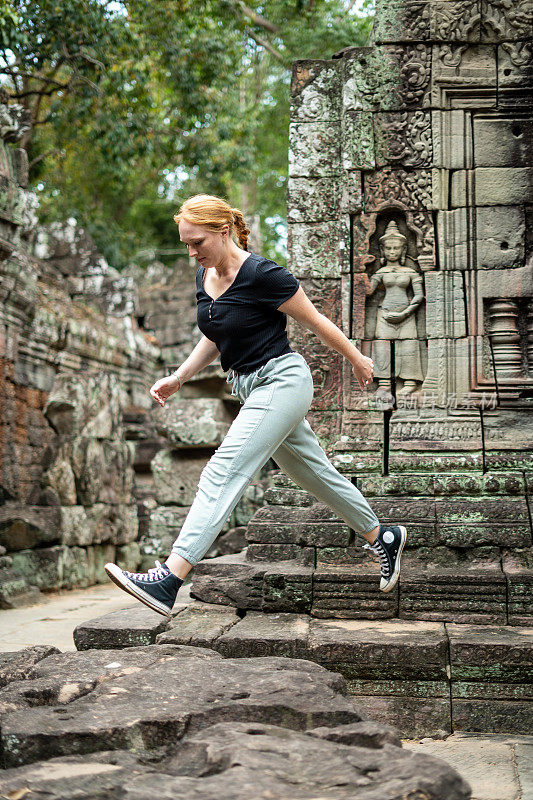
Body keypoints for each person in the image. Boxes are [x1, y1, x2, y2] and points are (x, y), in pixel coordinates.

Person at [105, 195, 407, 617]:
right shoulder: (205, 277)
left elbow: (315, 321)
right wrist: (178, 377)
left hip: (283, 381)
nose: (192, 252)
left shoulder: (264, 275)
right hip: (251, 388)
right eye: (186, 244)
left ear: (222, 231)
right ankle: (383, 536)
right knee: (315, 474)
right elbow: (216, 333)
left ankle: (170, 577)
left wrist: (357, 359)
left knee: (223, 469)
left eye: (197, 242)